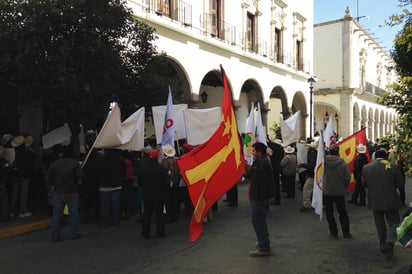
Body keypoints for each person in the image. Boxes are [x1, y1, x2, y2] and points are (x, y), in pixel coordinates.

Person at [362, 148, 404, 260]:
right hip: (390, 199)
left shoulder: (367, 168)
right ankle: (390, 242)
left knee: (379, 223)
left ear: (374, 157)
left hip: (374, 200)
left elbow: (364, 183)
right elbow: (400, 183)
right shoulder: (392, 166)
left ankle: (382, 244)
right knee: (393, 222)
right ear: (386, 157)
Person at [46, 144, 83, 241]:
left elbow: (48, 178)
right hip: (72, 191)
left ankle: (55, 236)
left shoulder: (54, 164)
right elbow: (80, 176)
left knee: (57, 215)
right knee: (74, 213)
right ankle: (75, 233)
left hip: (58, 192)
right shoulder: (75, 163)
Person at [244, 142, 274, 257]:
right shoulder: (260, 161)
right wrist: (246, 169)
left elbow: (257, 178)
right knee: (260, 221)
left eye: (253, 151)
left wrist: (248, 168)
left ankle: (264, 247)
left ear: (259, 152)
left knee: (258, 221)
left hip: (259, 197)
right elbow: (252, 175)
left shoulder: (264, 162)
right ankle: (263, 242)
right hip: (258, 195)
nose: (252, 153)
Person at [138, 149, 169, 238]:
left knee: (146, 213)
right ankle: (160, 233)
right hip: (159, 195)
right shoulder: (161, 169)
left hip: (147, 194)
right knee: (160, 214)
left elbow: (140, 181)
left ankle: (145, 233)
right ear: (157, 157)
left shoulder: (144, 168)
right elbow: (166, 182)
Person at [323, 144, 351, 239]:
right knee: (342, 212)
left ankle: (334, 232)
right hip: (339, 191)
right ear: (338, 152)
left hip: (327, 191)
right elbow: (347, 177)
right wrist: (344, 186)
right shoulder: (343, 163)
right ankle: (346, 232)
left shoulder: (323, 161)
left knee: (329, 212)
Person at [97, 149, 126, 227]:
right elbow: (123, 171)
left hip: (104, 186)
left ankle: (104, 222)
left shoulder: (101, 160)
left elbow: (98, 172)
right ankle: (115, 221)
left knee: (104, 205)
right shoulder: (120, 160)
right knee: (115, 204)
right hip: (117, 185)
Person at [10, 135, 36, 218]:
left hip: (15, 174)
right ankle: (23, 211)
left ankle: (11, 211)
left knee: (14, 193)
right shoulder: (29, 152)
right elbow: (33, 162)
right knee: (24, 193)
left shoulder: (13, 152)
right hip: (25, 174)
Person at [161, 144, 180, 222]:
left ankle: (169, 216)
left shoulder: (165, 161)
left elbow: (164, 173)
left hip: (168, 183)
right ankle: (175, 215)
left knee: (168, 200)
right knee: (175, 199)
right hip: (176, 181)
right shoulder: (176, 160)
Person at [298, 140, 318, 212]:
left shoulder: (312, 154)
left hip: (312, 175)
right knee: (312, 190)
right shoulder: (314, 153)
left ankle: (307, 204)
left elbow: (311, 165)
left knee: (306, 189)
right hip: (314, 174)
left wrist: (302, 165)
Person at [267, 138, 283, 205]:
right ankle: (276, 198)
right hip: (277, 169)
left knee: (275, 185)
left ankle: (276, 199)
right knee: (276, 185)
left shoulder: (277, 151)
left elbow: (271, 145)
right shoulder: (280, 150)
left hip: (275, 169)